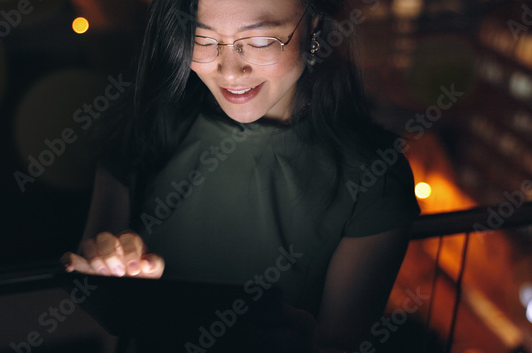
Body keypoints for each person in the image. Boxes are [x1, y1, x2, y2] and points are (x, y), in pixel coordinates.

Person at [60, 0, 421, 351]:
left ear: (314, 27)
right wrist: (105, 268)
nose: (230, 71)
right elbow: (97, 295)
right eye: (203, 41)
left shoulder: (375, 177)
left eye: (261, 41)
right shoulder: (142, 130)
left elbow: (342, 343)